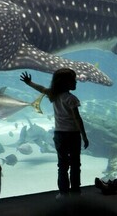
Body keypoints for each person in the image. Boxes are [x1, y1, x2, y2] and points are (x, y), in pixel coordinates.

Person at [20, 68, 89, 198]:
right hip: (73, 135)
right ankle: (75, 191)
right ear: (65, 83)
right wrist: (84, 136)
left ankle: (63, 193)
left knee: (62, 165)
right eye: (73, 80)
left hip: (59, 135)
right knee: (75, 164)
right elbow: (77, 119)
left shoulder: (54, 94)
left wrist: (29, 83)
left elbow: (41, 89)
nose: (76, 82)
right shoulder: (72, 99)